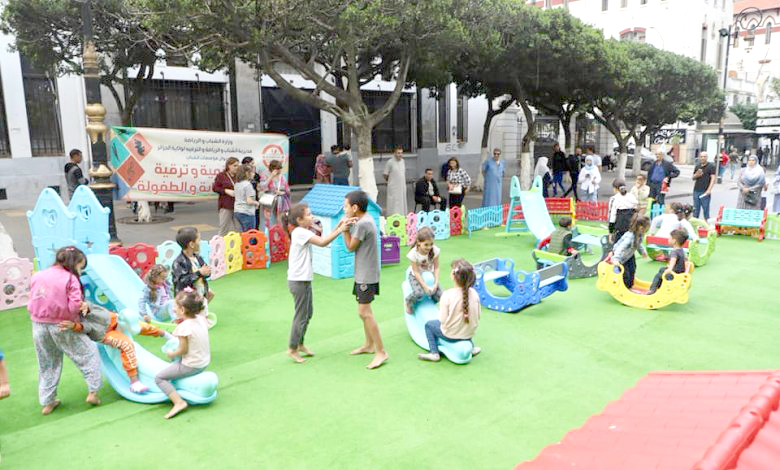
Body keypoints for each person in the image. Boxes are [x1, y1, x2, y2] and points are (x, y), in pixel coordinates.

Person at [28, 246, 101, 415]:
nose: (80, 271)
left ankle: (47, 402)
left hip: (39, 324)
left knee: (47, 362)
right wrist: (76, 319)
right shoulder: (70, 278)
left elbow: (33, 299)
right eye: (80, 267)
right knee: (88, 354)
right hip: (63, 324)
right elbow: (74, 305)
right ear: (74, 263)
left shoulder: (38, 275)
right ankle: (93, 392)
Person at [283, 203, 354, 363]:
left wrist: (339, 226)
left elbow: (323, 238)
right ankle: (292, 348)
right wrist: (340, 230)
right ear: (299, 220)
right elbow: (323, 243)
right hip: (298, 281)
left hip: (304, 279)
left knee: (308, 313)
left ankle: (300, 344)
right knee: (301, 315)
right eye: (308, 215)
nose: (312, 217)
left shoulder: (303, 231)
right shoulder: (300, 232)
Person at [59, 302, 170, 394]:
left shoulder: (81, 302)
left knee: (138, 325)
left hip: (114, 319)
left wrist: (86, 306)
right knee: (126, 344)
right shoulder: (69, 315)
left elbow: (92, 307)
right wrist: (74, 326)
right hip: (104, 333)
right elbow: (85, 328)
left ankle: (165, 335)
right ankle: (134, 382)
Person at [342, 190, 388, 369]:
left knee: (364, 313)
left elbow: (350, 247)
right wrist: (349, 224)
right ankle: (369, 345)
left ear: (355, 208)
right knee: (364, 312)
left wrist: (344, 230)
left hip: (366, 275)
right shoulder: (365, 219)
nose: (344, 209)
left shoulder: (362, 224)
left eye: (346, 206)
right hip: (366, 273)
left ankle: (381, 351)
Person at [155, 288, 211, 419]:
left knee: (159, 378)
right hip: (204, 361)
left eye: (175, 306)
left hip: (192, 365)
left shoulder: (184, 327)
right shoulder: (201, 318)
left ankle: (178, 402)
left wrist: (172, 353)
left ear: (183, 310)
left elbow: (183, 350)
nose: (173, 308)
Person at [418, 259, 481, 362]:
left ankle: (434, 353)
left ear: (453, 275)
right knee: (465, 324)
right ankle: (472, 348)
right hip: (469, 334)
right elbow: (478, 316)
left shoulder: (447, 295)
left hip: (450, 335)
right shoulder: (474, 293)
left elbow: (442, 320)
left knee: (429, 325)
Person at [171, 227, 215, 304]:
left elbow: (206, 271)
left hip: (200, 293)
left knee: (210, 296)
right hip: (187, 299)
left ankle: (201, 309)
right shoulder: (179, 262)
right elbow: (182, 281)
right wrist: (199, 273)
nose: (200, 242)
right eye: (199, 240)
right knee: (191, 314)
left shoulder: (198, 258)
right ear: (191, 244)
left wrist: (207, 273)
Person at [404, 227, 443, 314]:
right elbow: (416, 272)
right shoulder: (413, 253)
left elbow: (436, 267)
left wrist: (436, 284)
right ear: (418, 242)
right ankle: (408, 301)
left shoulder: (435, 250)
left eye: (431, 244)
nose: (429, 247)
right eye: (426, 244)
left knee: (441, 295)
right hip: (415, 275)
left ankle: (431, 303)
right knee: (419, 293)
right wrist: (425, 286)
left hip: (429, 274)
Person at [609, 215, 650, 289]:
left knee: (633, 268)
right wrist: (615, 259)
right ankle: (623, 286)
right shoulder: (629, 237)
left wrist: (642, 252)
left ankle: (630, 285)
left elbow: (638, 244)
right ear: (641, 228)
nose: (647, 230)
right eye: (647, 228)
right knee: (625, 274)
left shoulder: (640, 234)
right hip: (620, 258)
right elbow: (620, 248)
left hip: (628, 256)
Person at [648, 229, 689, 294]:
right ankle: (660, 285)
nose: (668, 240)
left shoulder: (674, 252)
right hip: (680, 273)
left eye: (670, 238)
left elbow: (673, 260)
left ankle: (652, 290)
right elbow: (686, 260)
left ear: (674, 241)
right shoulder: (681, 250)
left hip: (674, 274)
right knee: (662, 269)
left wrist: (670, 268)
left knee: (658, 275)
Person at [212, 157, 240, 236]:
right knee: (224, 227)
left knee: (239, 228)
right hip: (226, 205)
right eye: (235, 166)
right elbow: (215, 188)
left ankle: (239, 246)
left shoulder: (239, 176)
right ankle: (220, 245)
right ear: (228, 166)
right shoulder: (221, 176)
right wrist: (226, 191)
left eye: (238, 165)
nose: (237, 168)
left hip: (238, 205)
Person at [262, 160, 291, 229]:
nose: (279, 171)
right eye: (278, 169)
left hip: (280, 202)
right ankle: (268, 233)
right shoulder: (265, 175)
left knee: (280, 220)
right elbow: (262, 186)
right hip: (269, 201)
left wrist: (282, 192)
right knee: (269, 218)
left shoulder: (282, 177)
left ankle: (278, 233)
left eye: (280, 169)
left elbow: (287, 190)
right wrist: (271, 176)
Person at [233, 164, 260, 231]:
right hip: (247, 212)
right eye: (252, 172)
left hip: (237, 210)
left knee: (243, 233)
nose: (253, 174)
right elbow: (249, 201)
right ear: (247, 173)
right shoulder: (248, 185)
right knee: (249, 235)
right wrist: (256, 203)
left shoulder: (237, 184)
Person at [383, 146, 408, 216]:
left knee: (402, 202)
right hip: (393, 187)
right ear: (394, 153)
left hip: (402, 186)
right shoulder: (390, 162)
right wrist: (391, 181)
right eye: (398, 153)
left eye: (401, 153)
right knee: (393, 203)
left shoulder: (403, 161)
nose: (400, 155)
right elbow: (385, 174)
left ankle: (402, 217)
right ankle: (393, 218)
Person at [692, 151, 716, 220]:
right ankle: (695, 225)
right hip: (696, 190)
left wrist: (709, 190)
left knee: (706, 210)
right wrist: (696, 175)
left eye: (704, 157)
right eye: (701, 157)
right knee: (695, 210)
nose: (702, 158)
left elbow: (713, 178)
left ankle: (707, 226)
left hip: (705, 191)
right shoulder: (697, 166)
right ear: (699, 157)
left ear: (707, 157)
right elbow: (693, 178)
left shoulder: (711, 166)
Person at [242, 157, 262, 228]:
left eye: (254, 163)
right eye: (252, 163)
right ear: (246, 165)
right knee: (247, 224)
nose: (254, 165)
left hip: (255, 200)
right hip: (245, 202)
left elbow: (259, 186)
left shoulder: (256, 175)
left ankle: (256, 238)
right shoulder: (241, 175)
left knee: (256, 222)